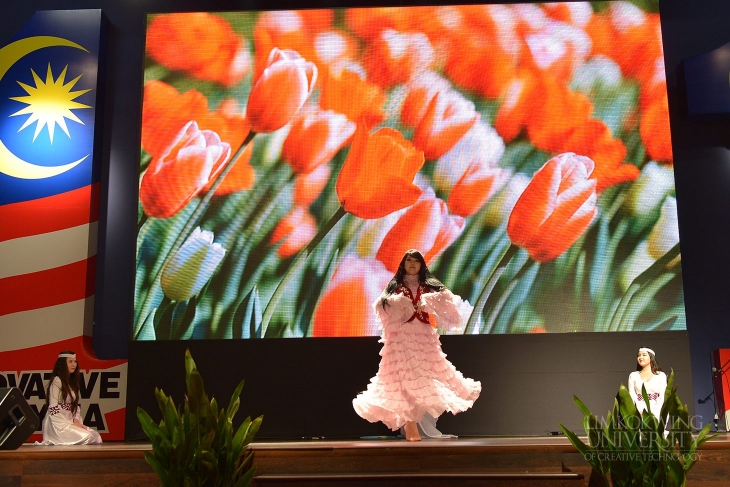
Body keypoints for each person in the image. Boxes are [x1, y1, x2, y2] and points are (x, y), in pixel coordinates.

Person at [352, 249, 481, 441]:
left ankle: (418, 420)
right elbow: (380, 304)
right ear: (403, 264)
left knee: (423, 378)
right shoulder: (395, 284)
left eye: (416, 261)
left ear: (422, 265)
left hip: (423, 336)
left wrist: (428, 301)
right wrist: (399, 302)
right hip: (401, 337)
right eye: (409, 261)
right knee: (403, 378)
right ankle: (410, 424)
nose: (412, 264)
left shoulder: (429, 285)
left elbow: (448, 300)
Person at [38, 351, 102, 445]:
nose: (73, 364)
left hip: (69, 421)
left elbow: (74, 406)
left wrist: (76, 421)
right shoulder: (57, 381)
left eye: (75, 361)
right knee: (88, 437)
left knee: (96, 437)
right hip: (58, 423)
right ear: (63, 364)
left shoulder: (72, 382)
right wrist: (70, 424)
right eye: (70, 361)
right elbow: (53, 408)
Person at [627, 347, 667, 418]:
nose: (640, 357)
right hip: (639, 410)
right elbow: (632, 395)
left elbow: (662, 396)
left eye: (644, 355)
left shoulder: (661, 375)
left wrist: (656, 412)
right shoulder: (633, 375)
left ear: (651, 357)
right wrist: (638, 410)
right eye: (639, 355)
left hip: (658, 410)